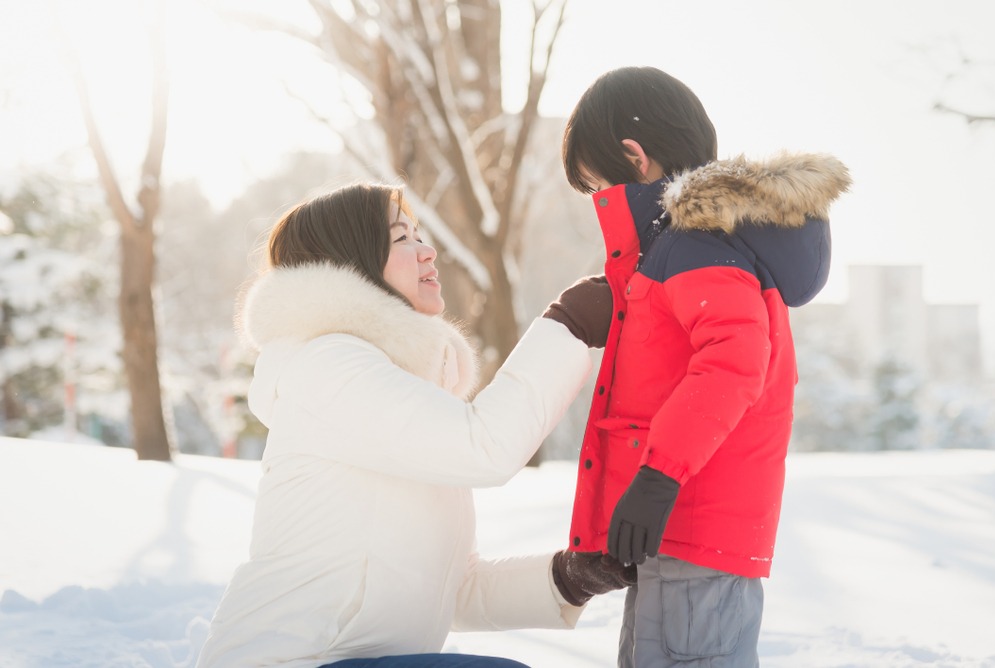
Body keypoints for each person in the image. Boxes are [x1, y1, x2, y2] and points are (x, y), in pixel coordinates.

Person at [196, 182, 635, 668]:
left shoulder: (393, 389)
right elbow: (484, 448)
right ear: (354, 261)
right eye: (402, 238)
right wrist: (568, 324)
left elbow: (454, 587)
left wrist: (568, 578)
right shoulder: (328, 367)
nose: (427, 252)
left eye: (419, 235)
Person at [560, 66, 852, 668]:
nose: (598, 203)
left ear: (634, 157)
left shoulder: (694, 244)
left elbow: (734, 363)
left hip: (690, 524)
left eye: (596, 187)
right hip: (675, 532)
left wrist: (658, 476)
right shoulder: (691, 244)